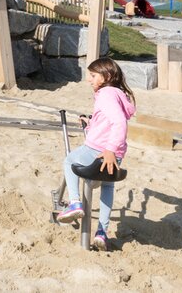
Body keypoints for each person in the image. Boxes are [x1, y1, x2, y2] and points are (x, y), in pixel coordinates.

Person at [56, 58, 136, 251]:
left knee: (69, 162)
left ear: (106, 76)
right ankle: (102, 232)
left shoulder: (105, 94)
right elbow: (108, 121)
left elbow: (119, 123)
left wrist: (107, 150)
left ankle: (75, 203)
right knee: (107, 185)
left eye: (92, 75)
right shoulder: (118, 94)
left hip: (99, 150)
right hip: (116, 152)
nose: (88, 80)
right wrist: (91, 122)